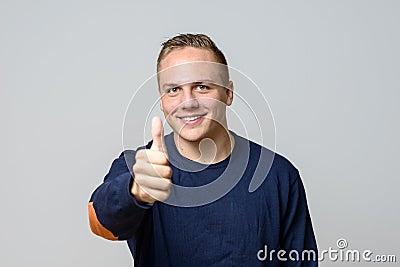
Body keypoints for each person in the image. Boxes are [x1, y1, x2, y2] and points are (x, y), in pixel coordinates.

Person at [88, 33, 318, 266]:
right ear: (161, 100)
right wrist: (136, 191)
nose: (188, 102)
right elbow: (100, 223)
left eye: (202, 87)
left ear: (228, 94)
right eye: (173, 90)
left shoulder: (277, 174)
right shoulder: (141, 168)